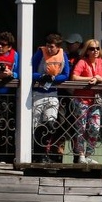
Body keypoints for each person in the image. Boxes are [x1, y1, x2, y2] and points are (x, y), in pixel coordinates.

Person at [31, 33, 71, 162]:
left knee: (50, 123)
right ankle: (34, 153)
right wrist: (41, 77)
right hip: (37, 93)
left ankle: (44, 152)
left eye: (52, 47)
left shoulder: (62, 55)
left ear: (58, 47)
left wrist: (54, 78)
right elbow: (30, 70)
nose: (49, 49)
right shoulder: (40, 53)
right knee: (35, 124)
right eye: (47, 46)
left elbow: (66, 74)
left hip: (52, 92)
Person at [70, 38, 102, 164]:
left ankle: (89, 154)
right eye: (92, 48)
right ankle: (80, 154)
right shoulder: (82, 62)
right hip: (81, 99)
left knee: (95, 128)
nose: (95, 50)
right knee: (81, 127)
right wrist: (90, 78)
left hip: (95, 101)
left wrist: (99, 79)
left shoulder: (101, 62)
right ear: (87, 51)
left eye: (97, 48)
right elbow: (74, 77)